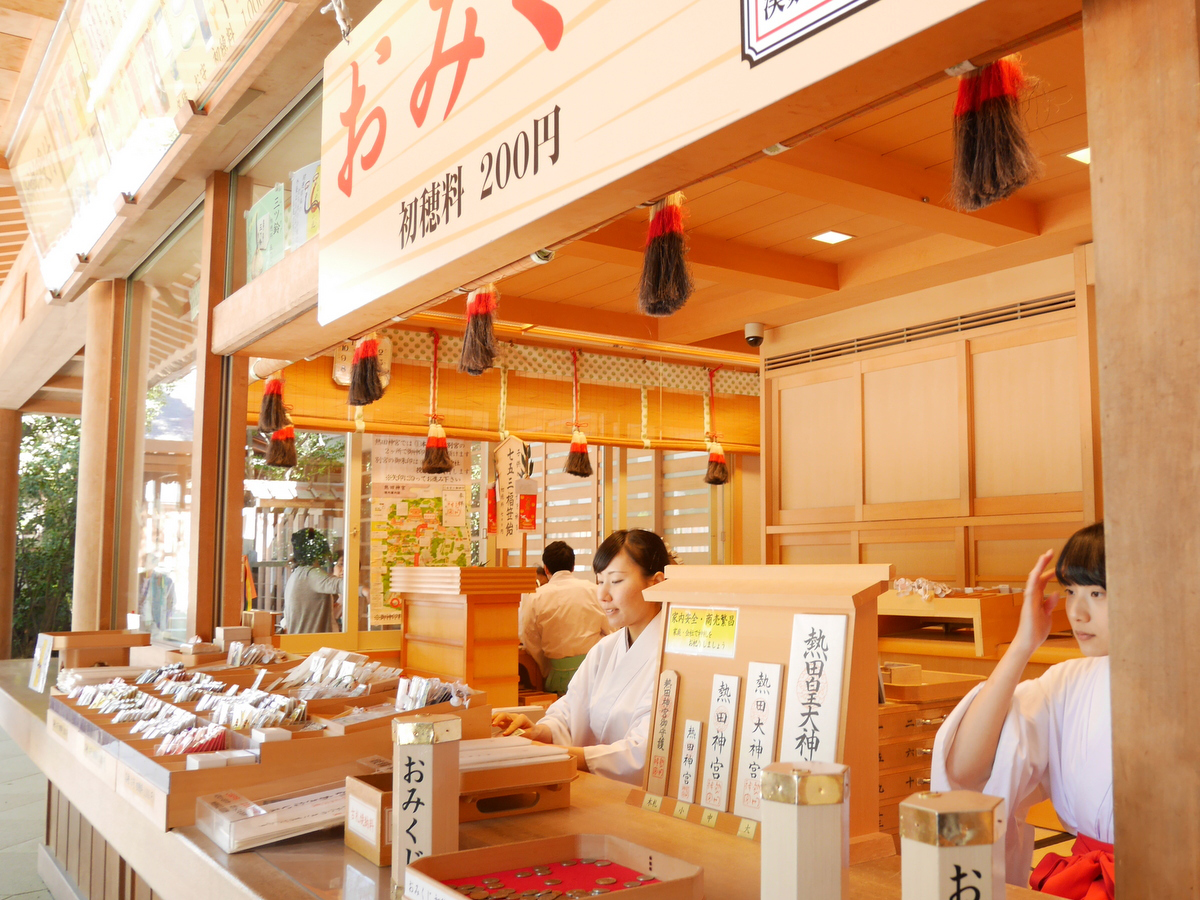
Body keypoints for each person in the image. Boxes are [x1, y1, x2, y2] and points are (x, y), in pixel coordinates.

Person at [931, 522, 1113, 898]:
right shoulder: (1067, 683)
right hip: (1083, 883)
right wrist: (1022, 644)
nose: (1077, 612)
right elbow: (965, 772)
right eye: (1071, 591)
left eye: (1096, 592)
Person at [494, 529, 670, 785]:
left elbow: (643, 753)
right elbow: (570, 710)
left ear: (656, 582)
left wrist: (554, 753)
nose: (603, 595)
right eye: (600, 581)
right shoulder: (605, 649)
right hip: (595, 789)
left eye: (616, 581)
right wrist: (539, 732)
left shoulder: (674, 658)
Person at [520, 541, 609, 694]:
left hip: (559, 677)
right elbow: (612, 631)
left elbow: (528, 637)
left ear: (546, 569)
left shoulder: (535, 597)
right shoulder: (593, 590)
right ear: (573, 566)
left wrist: (547, 668)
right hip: (597, 672)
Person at [282, 529, 342, 634]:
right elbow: (338, 585)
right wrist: (364, 590)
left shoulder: (298, 574)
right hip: (313, 640)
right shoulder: (310, 573)